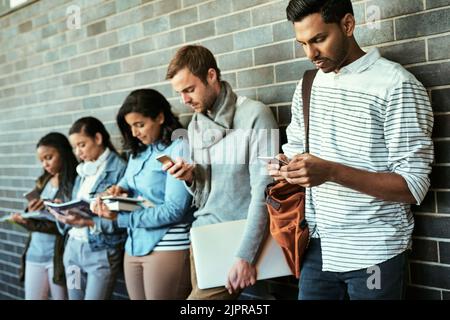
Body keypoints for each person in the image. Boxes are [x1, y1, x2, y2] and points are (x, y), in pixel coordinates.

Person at [267, 0, 434, 300]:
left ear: (347, 25)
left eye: (319, 39)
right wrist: (287, 166)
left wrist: (329, 171)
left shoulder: (396, 85)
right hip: (318, 250)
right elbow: (296, 153)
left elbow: (413, 186)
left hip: (375, 252)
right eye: (302, 43)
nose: (310, 54)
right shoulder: (307, 85)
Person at [165, 45, 279, 299]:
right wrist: (190, 178)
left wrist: (245, 256)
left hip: (237, 241)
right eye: (179, 93)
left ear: (211, 76)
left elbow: (265, 190)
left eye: (189, 89)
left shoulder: (255, 115)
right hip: (204, 238)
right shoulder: (195, 125)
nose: (184, 100)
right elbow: (205, 196)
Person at [93, 89, 193, 300]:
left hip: (168, 244)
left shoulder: (178, 148)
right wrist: (115, 190)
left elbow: (175, 210)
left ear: (159, 117)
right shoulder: (139, 152)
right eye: (130, 127)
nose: (135, 132)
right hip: (134, 244)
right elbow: (127, 182)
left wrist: (121, 219)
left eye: (139, 125)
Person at [50, 117, 127, 300]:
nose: (78, 152)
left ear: (98, 139)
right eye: (75, 147)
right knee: (74, 297)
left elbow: (124, 219)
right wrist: (63, 213)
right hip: (73, 252)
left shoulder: (120, 170)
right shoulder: (83, 170)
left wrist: (88, 221)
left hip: (100, 253)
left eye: (82, 145)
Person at [10, 132, 78, 300]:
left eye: (49, 157)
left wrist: (29, 222)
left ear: (63, 153)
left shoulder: (75, 182)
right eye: (42, 160)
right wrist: (29, 212)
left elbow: (64, 226)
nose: (45, 164)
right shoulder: (43, 180)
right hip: (34, 253)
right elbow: (38, 215)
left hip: (58, 258)